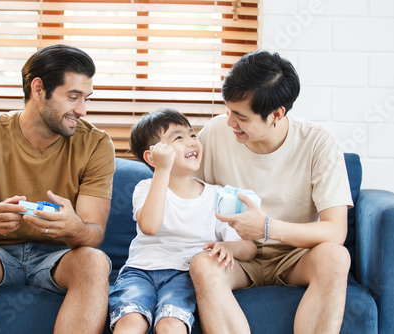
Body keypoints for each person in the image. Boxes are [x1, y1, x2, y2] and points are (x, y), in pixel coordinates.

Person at [0, 44, 115, 333]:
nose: (82, 110)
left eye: (86, 99)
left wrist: (73, 227)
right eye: (73, 97)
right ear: (38, 89)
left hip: (60, 257)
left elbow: (93, 234)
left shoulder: (96, 144)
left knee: (95, 262)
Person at [190, 50, 353, 334]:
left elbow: (335, 232)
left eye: (240, 116)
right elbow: (185, 191)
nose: (230, 122)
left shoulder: (319, 143)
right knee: (203, 265)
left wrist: (266, 227)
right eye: (228, 110)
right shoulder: (216, 132)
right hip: (237, 256)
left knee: (336, 257)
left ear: (276, 114)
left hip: (296, 257)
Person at [108, 109, 257, 334]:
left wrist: (229, 247)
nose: (191, 142)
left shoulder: (219, 196)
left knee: (171, 325)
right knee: (130, 322)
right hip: (139, 272)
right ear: (151, 157)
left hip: (184, 275)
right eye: (178, 138)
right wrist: (162, 170)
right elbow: (149, 226)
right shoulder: (146, 188)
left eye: (193, 135)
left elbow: (250, 249)